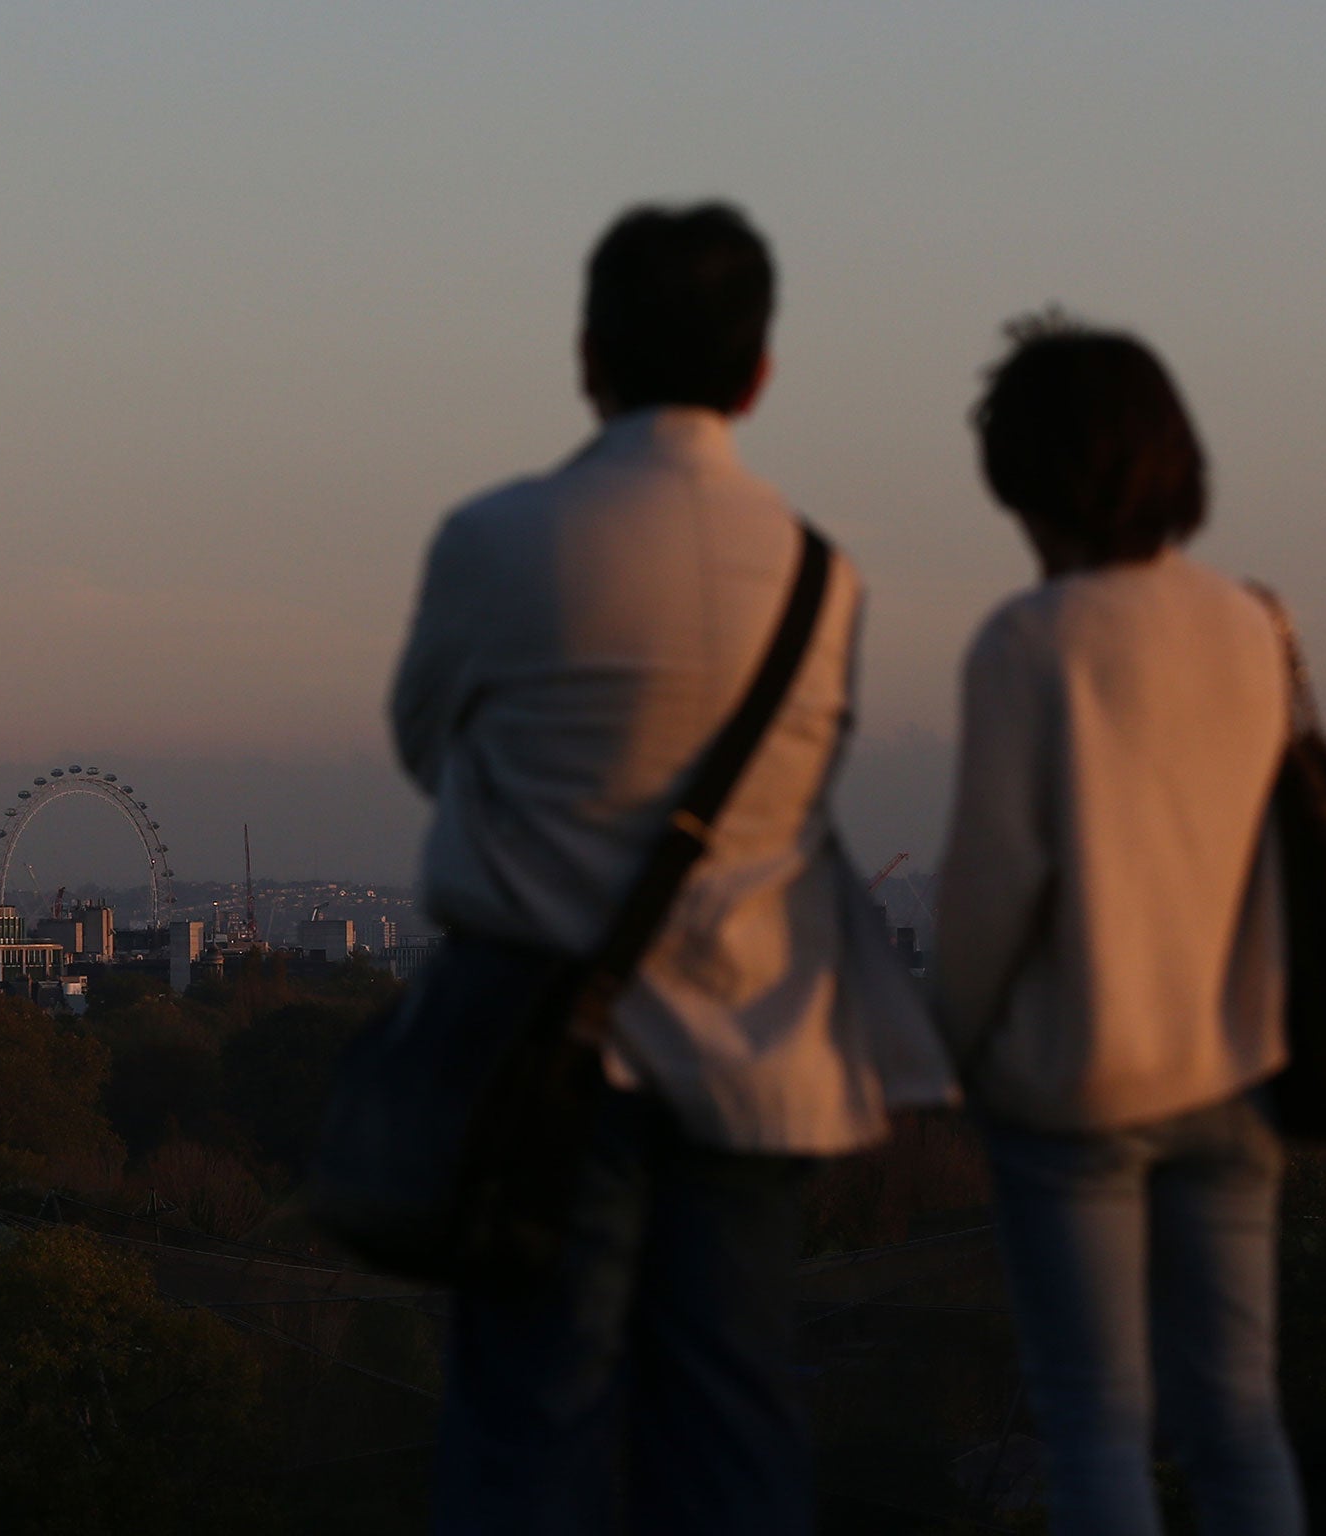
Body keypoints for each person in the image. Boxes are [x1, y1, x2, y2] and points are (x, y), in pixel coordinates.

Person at [391, 202, 952, 1535]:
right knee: (737, 1424)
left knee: (528, 1426)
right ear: (759, 373)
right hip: (751, 1057)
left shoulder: (495, 539)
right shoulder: (823, 580)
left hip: (541, 1055)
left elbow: (428, 743)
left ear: (588, 355)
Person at [934, 317, 1307, 1533]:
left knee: (1092, 1424)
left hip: (1078, 1082)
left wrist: (958, 1045)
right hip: (1240, 1066)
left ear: (1027, 483)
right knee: (1237, 1423)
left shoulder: (1027, 643)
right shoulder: (1255, 626)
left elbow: (989, 896)